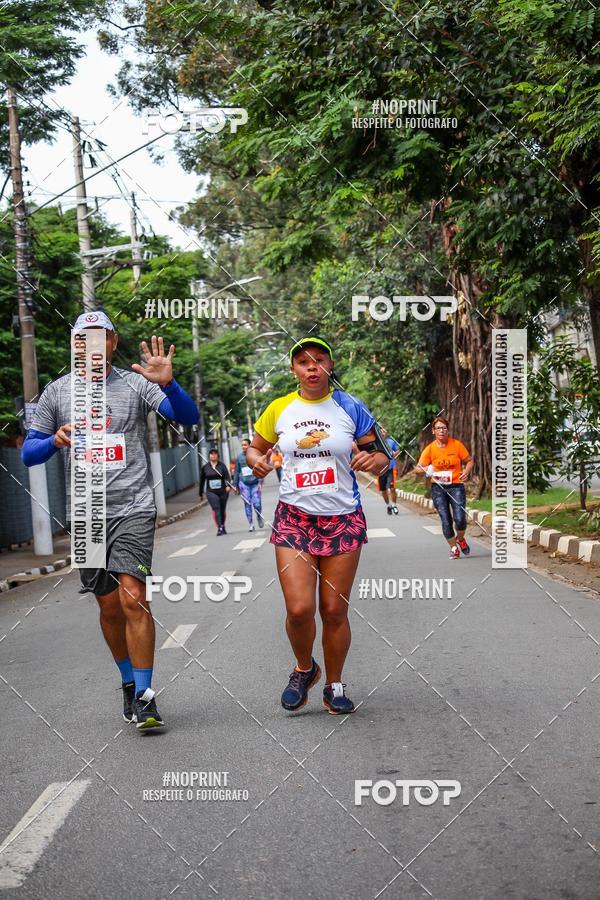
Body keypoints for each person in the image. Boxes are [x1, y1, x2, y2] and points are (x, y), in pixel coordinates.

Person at [21, 311, 199, 730]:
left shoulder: (136, 383)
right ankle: (126, 680)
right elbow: (29, 453)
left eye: (99, 337)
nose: (90, 345)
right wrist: (53, 440)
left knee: (133, 596)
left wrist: (169, 383)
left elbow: (186, 417)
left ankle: (145, 695)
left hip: (133, 505)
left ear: (113, 343)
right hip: (86, 512)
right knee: (108, 606)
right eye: (82, 339)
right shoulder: (57, 393)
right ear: (75, 346)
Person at [246, 337, 391, 715]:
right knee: (298, 609)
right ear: (294, 369)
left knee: (333, 611)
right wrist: (255, 461)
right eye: (303, 362)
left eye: (319, 360)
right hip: (294, 518)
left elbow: (381, 453)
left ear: (330, 365)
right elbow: (254, 447)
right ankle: (305, 668)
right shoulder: (279, 408)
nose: (312, 367)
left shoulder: (349, 406)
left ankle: (334, 685)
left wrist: (374, 462)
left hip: (342, 519)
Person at [414, 416, 474, 559]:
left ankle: (460, 539)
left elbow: (469, 460)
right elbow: (417, 469)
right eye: (438, 428)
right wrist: (427, 469)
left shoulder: (456, 445)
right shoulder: (430, 449)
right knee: (446, 519)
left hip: (456, 486)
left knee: (460, 519)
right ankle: (453, 547)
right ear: (433, 431)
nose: (442, 430)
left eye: (444, 428)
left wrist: (466, 472)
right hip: (438, 489)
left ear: (448, 430)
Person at [233, 438, 264, 531]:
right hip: (244, 484)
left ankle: (259, 516)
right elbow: (236, 472)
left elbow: (261, 468)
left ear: (249, 446)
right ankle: (251, 524)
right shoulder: (239, 457)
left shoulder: (255, 456)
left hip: (255, 483)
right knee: (247, 504)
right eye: (242, 445)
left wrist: (260, 482)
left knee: (257, 503)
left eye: (245, 445)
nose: (243, 447)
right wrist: (235, 485)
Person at [199, 447, 231, 535]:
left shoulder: (222, 466)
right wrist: (200, 493)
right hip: (211, 492)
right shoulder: (205, 467)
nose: (213, 455)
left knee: (222, 509)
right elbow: (202, 481)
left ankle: (222, 525)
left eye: (215, 453)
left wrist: (228, 485)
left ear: (218, 455)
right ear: (209, 456)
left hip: (223, 491)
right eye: (211, 453)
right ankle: (219, 527)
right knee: (216, 508)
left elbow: (227, 477)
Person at [378, 427, 400, 515]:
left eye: (384, 431)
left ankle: (394, 505)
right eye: (381, 431)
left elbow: (397, 450)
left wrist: (395, 454)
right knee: (383, 490)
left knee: (392, 488)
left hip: (391, 468)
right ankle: (388, 505)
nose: (383, 432)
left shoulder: (391, 441)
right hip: (380, 469)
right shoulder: (377, 442)